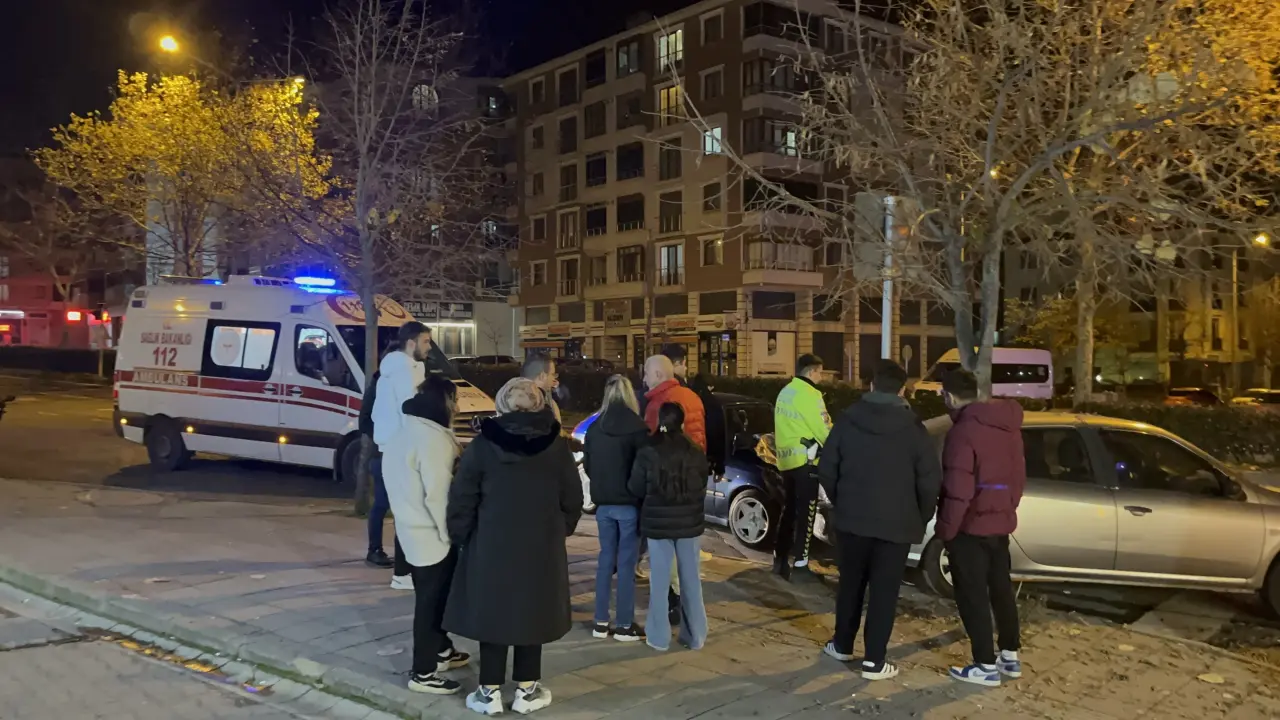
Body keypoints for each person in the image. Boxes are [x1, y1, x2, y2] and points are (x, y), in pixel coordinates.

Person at [445, 377, 582, 716]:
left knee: (494, 612)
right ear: (539, 405)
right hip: (540, 544)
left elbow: (462, 497)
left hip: (492, 542)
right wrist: (559, 530)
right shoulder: (556, 446)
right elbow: (573, 497)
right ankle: (526, 689)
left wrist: (462, 535)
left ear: (502, 405)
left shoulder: (483, 445)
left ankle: (488, 691)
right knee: (531, 612)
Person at [817, 359, 942, 680]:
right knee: (884, 592)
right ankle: (874, 660)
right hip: (896, 526)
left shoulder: (847, 421)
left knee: (850, 585)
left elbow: (828, 468)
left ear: (871, 385)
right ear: (903, 390)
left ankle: (842, 644)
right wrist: (920, 515)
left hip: (852, 520)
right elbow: (929, 481)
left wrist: (841, 501)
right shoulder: (915, 430)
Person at [937, 369, 1026, 687]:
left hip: (970, 528)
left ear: (949, 396)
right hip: (999, 524)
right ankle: (1010, 656)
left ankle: (984, 664)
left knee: (972, 595)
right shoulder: (1008, 427)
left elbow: (958, 490)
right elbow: (1017, 479)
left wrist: (946, 530)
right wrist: (1005, 508)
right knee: (1001, 589)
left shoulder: (962, 432)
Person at [382, 376, 471, 695]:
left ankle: (442, 650)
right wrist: (453, 534)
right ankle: (423, 671)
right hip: (432, 534)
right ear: (443, 403)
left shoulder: (404, 432)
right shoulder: (432, 440)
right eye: (455, 400)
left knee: (431, 598)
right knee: (432, 604)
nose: (459, 407)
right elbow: (438, 495)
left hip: (410, 530)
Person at [628, 402, 710, 653]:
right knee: (690, 580)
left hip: (657, 524)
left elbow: (636, 487)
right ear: (682, 423)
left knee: (660, 581)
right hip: (688, 524)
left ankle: (659, 637)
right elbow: (701, 487)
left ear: (659, 421)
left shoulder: (647, 451)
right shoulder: (695, 452)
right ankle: (695, 635)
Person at [365, 323, 433, 588]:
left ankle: (380, 553)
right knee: (402, 508)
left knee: (385, 504)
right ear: (412, 343)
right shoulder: (405, 370)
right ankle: (404, 570)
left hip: (386, 446)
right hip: (398, 449)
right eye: (426, 341)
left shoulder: (392, 370)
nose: (429, 347)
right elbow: (410, 410)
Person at [583, 375, 649, 642]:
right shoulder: (638, 428)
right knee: (626, 564)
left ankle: (600, 622)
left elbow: (587, 464)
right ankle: (623, 624)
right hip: (629, 505)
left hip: (603, 506)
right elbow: (643, 467)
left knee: (604, 561)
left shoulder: (595, 428)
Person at [772, 353, 832, 581]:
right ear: (810, 371)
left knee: (788, 510)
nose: (821, 376)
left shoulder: (785, 392)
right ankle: (800, 564)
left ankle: (779, 559)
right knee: (806, 513)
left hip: (786, 462)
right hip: (807, 461)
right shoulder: (811, 394)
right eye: (820, 372)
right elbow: (823, 429)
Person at [641, 355, 706, 451]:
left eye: (646, 374)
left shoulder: (657, 403)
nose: (644, 379)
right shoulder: (692, 396)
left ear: (658, 375)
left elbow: (651, 444)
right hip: (695, 461)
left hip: (669, 463)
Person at [521, 353, 561, 423]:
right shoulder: (544, 406)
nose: (554, 379)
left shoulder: (510, 401)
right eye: (552, 374)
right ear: (542, 376)